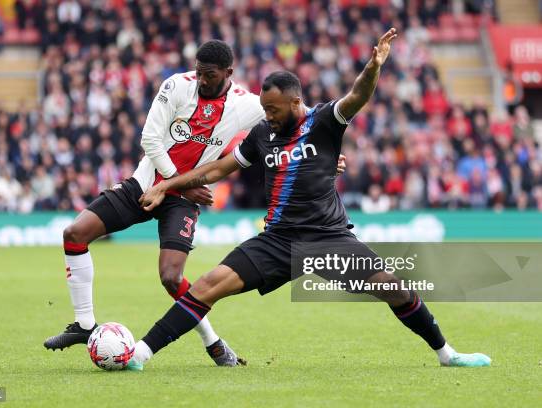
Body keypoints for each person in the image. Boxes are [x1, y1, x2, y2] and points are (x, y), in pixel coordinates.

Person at [130, 29, 491, 371]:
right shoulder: (262, 134)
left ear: (295, 102)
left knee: (395, 290)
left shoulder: (323, 121)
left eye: (273, 110)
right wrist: (167, 184)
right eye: (264, 109)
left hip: (327, 238)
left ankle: (447, 354)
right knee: (207, 285)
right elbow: (218, 168)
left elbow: (357, 97)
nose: (267, 116)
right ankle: (139, 354)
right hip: (278, 240)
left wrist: (373, 67)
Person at [43, 40, 267, 366]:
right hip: (145, 185)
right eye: (200, 72)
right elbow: (149, 138)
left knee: (171, 278)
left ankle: (213, 342)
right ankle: (84, 324)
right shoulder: (176, 86)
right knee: (75, 234)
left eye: (211, 75)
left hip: (181, 202)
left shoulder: (246, 104)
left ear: (228, 73)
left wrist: (326, 152)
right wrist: (179, 183)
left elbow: (290, 116)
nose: (203, 80)